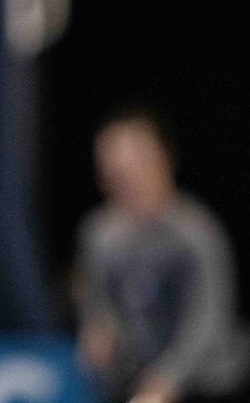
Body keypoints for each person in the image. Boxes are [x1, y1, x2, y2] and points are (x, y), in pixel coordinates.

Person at [75, 107, 250, 403]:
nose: (128, 182)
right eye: (115, 173)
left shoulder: (196, 232)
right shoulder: (99, 235)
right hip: (139, 383)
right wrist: (98, 332)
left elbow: (208, 321)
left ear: (163, 160)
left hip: (208, 385)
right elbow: (100, 305)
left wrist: (168, 381)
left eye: (136, 167)